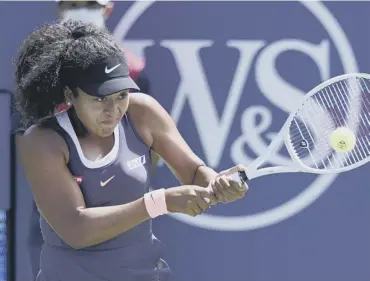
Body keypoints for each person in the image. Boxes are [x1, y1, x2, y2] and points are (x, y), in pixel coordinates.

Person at [14, 20, 248, 281]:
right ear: (70, 94)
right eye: (99, 98)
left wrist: (219, 183)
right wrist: (160, 202)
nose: (112, 110)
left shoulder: (143, 112)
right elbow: (76, 230)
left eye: (121, 95)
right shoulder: (43, 140)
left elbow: (193, 172)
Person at [21, 2, 154, 279]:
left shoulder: (135, 72)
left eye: (91, 3)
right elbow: (75, 229)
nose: (82, 8)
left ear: (107, 9)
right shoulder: (40, 76)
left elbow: (151, 147)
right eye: (73, 3)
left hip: (125, 231)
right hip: (55, 220)